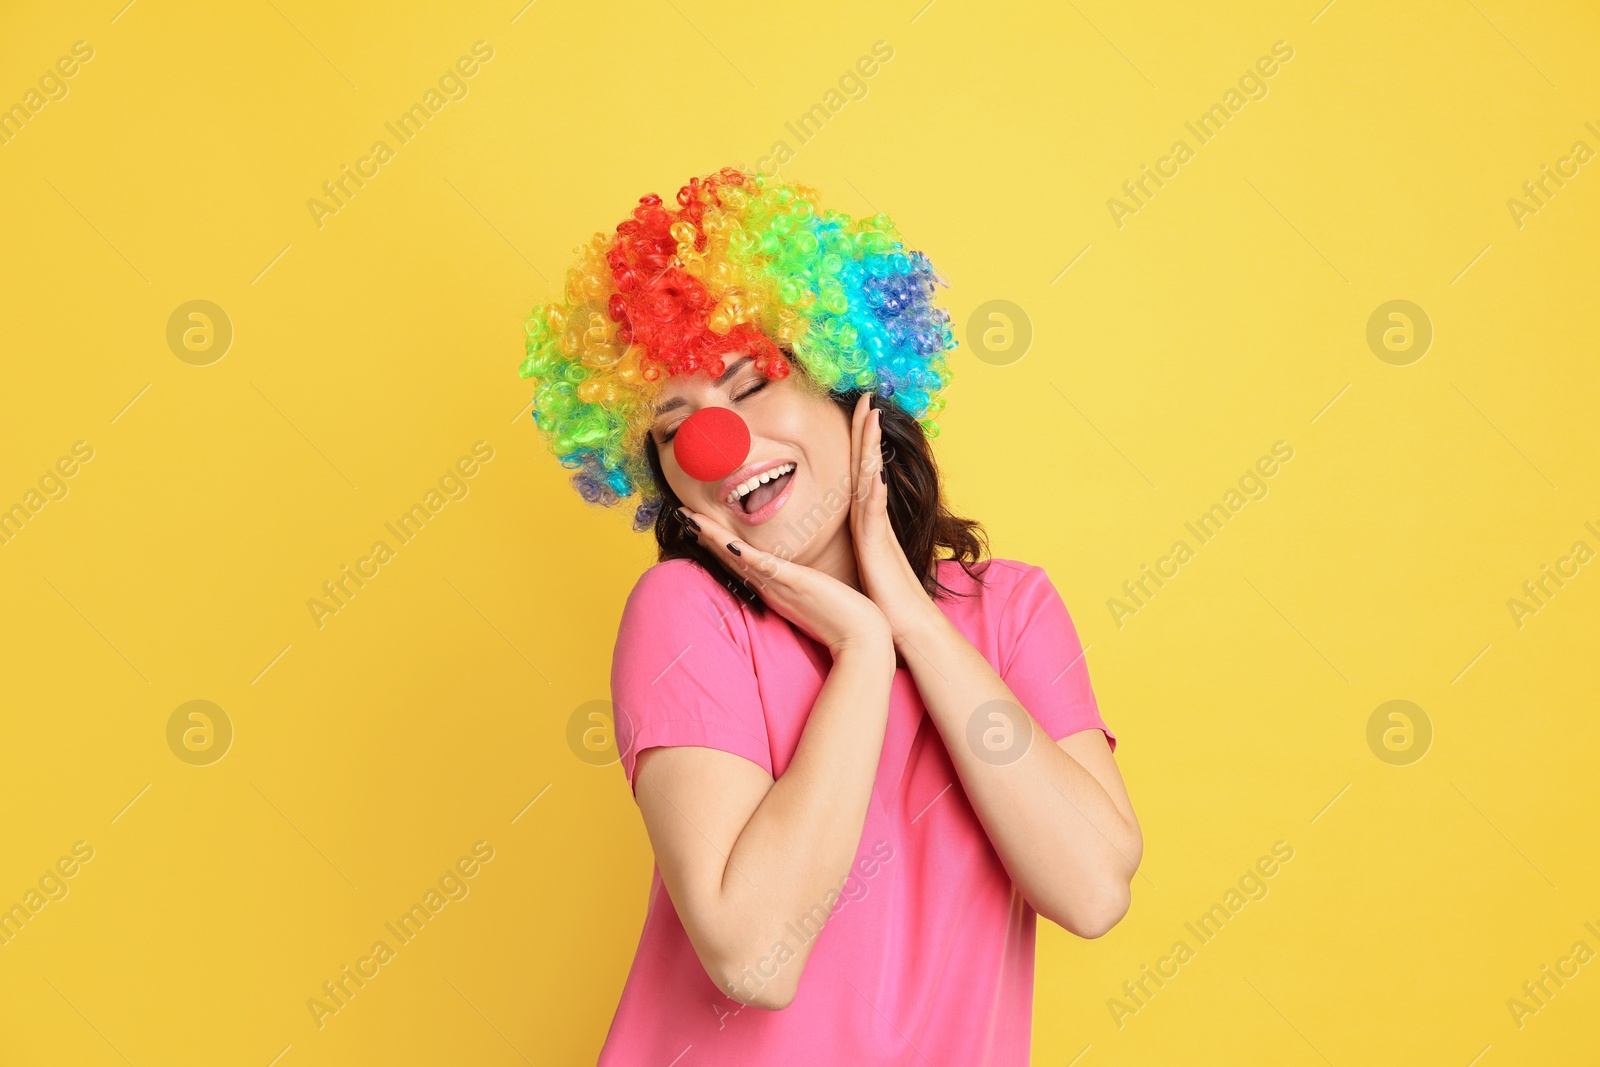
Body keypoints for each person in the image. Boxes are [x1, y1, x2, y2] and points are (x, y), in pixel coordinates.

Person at [519, 167, 1141, 1065]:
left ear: (851, 386)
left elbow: (1091, 889)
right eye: (671, 427)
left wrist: (915, 627)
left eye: (751, 385)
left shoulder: (1011, 610)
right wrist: (861, 650)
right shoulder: (686, 616)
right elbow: (753, 955)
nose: (716, 443)